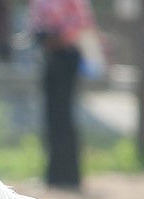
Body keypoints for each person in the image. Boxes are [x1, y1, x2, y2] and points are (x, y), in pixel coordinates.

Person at [29, 0, 98, 189]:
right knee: (51, 116)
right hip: (48, 55)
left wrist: (59, 36)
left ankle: (70, 175)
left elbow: (82, 23)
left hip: (65, 55)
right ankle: (53, 174)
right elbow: (35, 22)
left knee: (64, 115)